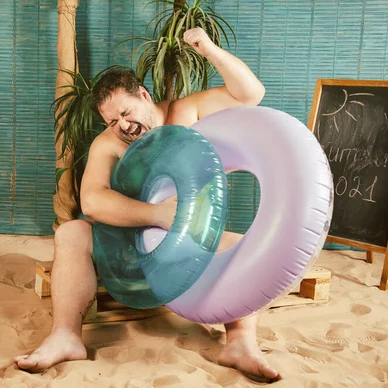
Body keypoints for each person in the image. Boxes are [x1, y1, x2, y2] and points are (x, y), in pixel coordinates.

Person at [14, 27, 282, 383]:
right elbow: (92, 201)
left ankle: (240, 343)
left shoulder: (185, 112)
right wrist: (157, 214)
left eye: (126, 112)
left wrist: (209, 49)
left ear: (143, 94)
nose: (123, 126)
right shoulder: (108, 144)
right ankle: (66, 335)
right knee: (72, 232)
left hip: (188, 235)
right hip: (128, 243)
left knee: (244, 248)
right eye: (112, 121)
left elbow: (252, 94)